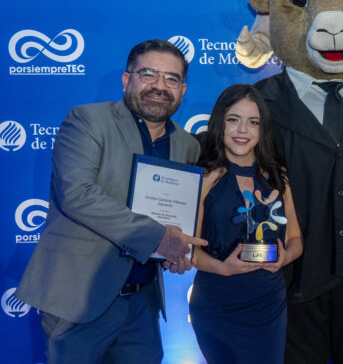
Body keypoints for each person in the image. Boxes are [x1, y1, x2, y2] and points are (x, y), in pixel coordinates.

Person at [16, 39, 206, 363]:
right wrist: (160, 238)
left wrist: (174, 251)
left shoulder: (187, 145)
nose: (160, 86)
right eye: (149, 74)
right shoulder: (88, 120)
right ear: (126, 79)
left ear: (183, 90)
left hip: (143, 304)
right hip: (78, 298)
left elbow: (174, 215)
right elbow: (77, 195)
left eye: (171, 79)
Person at [189, 84, 302, 363]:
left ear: (262, 130)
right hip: (216, 303)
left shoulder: (278, 178)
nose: (242, 130)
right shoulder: (203, 178)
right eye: (233, 120)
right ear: (219, 123)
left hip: (267, 305)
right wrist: (222, 268)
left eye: (253, 122)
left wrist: (285, 257)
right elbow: (190, 250)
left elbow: (297, 240)